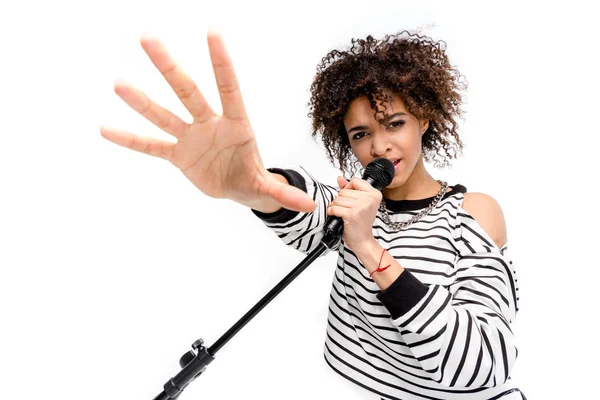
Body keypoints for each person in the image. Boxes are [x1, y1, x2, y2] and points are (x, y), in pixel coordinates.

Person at [101, 28, 524, 400]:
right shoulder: (355, 207)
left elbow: (483, 365)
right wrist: (250, 183)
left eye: (394, 124)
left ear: (424, 120)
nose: (379, 148)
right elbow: (301, 204)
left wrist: (367, 245)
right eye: (361, 134)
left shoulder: (470, 212)